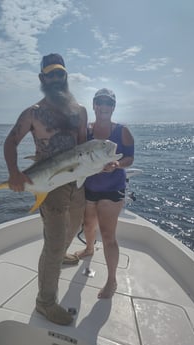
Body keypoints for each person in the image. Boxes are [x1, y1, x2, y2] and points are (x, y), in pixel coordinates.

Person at [4, 53, 87, 325]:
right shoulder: (33, 113)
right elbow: (10, 142)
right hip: (50, 187)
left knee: (74, 225)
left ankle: (63, 253)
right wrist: (14, 173)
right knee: (52, 244)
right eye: (50, 74)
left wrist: (102, 166)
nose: (55, 78)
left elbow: (84, 148)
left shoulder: (79, 111)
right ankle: (45, 303)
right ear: (42, 78)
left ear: (66, 76)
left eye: (59, 73)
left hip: (76, 182)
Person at [75, 88, 134, 299]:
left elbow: (130, 158)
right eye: (100, 102)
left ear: (113, 107)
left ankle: (112, 280)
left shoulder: (122, 130)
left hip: (112, 189)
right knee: (88, 225)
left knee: (108, 235)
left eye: (108, 103)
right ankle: (89, 249)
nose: (104, 107)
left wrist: (117, 164)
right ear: (94, 106)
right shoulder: (87, 131)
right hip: (89, 187)